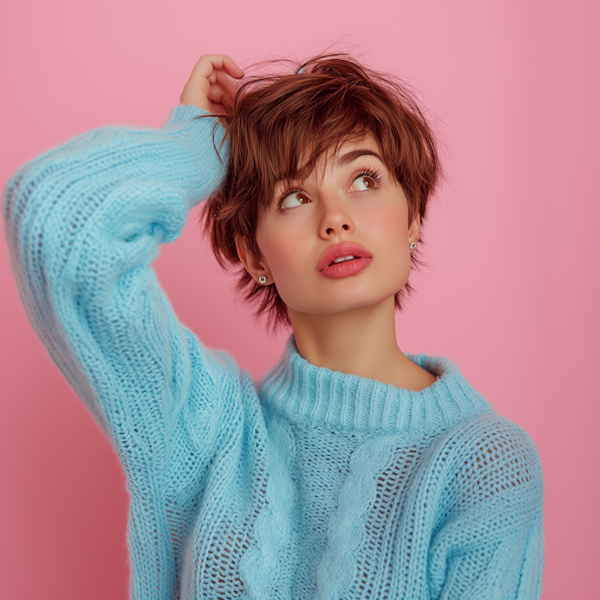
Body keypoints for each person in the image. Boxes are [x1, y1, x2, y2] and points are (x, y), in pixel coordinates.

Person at [3, 53, 544, 599]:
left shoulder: (482, 465)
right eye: (294, 196)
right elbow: (54, 217)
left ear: (413, 216)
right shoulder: (207, 429)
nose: (335, 217)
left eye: (363, 178)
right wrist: (195, 147)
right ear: (254, 255)